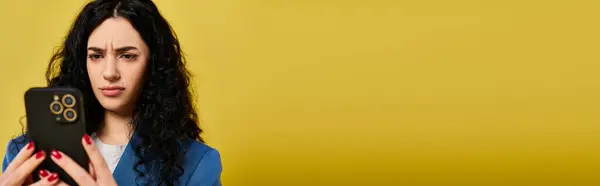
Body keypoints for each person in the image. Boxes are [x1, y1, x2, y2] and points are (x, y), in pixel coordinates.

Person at [0, 0, 222, 185]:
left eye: (127, 56)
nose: (109, 73)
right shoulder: (23, 155)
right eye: (96, 56)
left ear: (154, 64)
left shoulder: (197, 163)